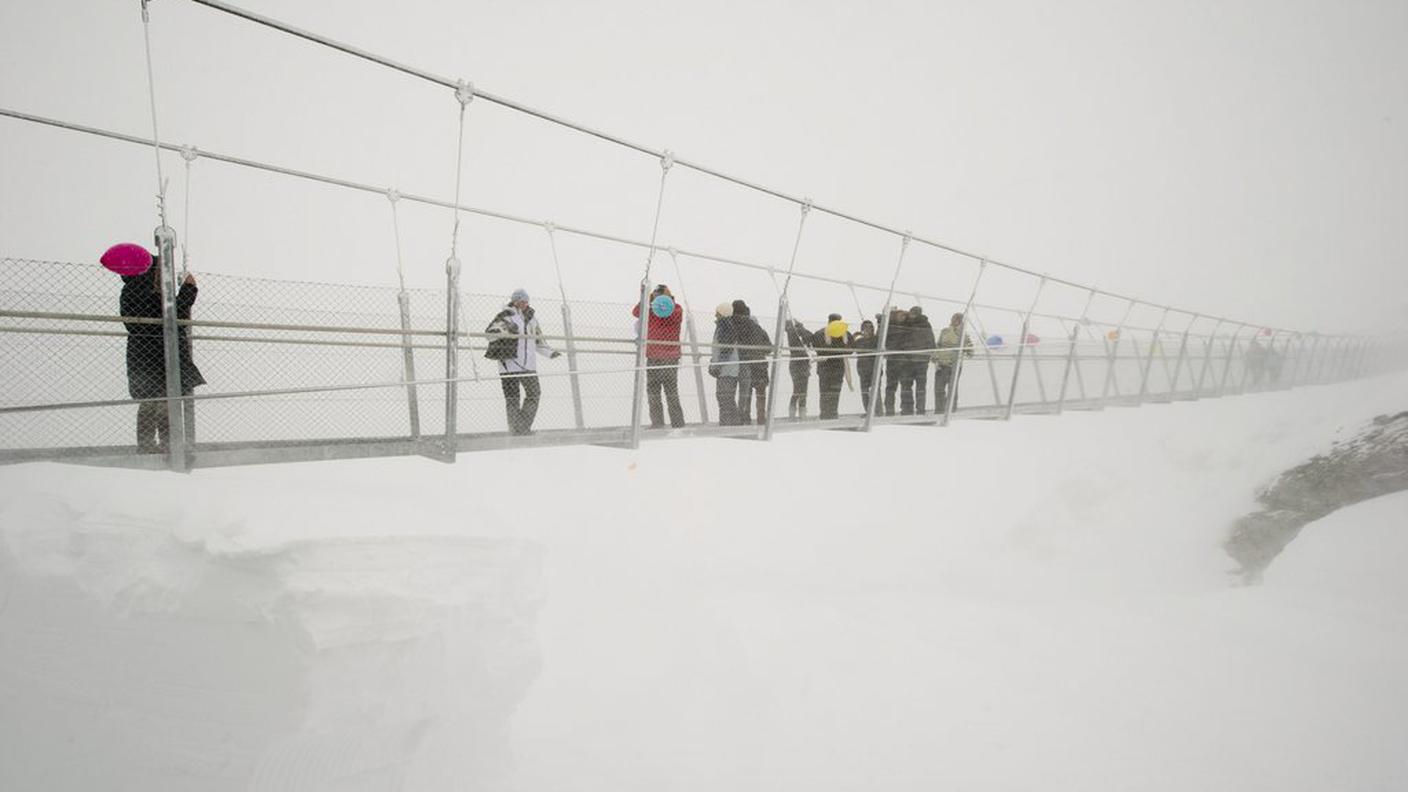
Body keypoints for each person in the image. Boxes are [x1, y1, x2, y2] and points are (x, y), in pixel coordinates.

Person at [121, 254, 205, 453]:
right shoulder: (144, 291)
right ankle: (169, 447)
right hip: (159, 356)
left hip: (145, 357)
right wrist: (189, 289)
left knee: (152, 402)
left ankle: (150, 446)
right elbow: (173, 316)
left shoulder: (133, 290)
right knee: (163, 403)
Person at [485, 288, 560, 435]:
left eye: (526, 301)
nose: (525, 304)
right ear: (515, 301)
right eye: (521, 301)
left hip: (529, 367)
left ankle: (521, 428)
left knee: (534, 394)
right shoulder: (505, 316)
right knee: (513, 398)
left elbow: (539, 341)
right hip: (509, 365)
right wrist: (505, 331)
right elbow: (489, 334)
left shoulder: (532, 319)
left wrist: (551, 353)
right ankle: (515, 430)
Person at [631, 284, 686, 428]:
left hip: (667, 356)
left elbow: (671, 314)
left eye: (660, 293)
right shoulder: (652, 310)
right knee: (655, 391)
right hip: (655, 356)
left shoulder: (675, 309)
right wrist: (646, 299)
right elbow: (636, 312)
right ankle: (659, 423)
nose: (657, 295)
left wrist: (665, 301)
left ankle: (676, 423)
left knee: (668, 391)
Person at [730, 299, 771, 425]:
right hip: (760, 365)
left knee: (746, 394)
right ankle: (761, 419)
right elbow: (769, 347)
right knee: (761, 394)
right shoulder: (759, 330)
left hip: (746, 363)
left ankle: (745, 418)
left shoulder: (735, 325)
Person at [811, 314, 853, 419]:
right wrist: (842, 344)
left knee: (825, 391)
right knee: (835, 392)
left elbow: (818, 349)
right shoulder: (845, 333)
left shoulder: (820, 333)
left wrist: (829, 346)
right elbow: (850, 350)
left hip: (825, 367)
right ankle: (832, 414)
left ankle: (825, 414)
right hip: (838, 367)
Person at [933, 312, 976, 412]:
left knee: (952, 389)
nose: (952, 320)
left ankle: (951, 411)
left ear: (960, 321)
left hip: (954, 366)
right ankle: (939, 410)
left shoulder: (963, 335)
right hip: (941, 365)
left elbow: (970, 352)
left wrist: (962, 348)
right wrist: (935, 357)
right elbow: (938, 345)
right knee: (939, 389)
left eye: (956, 319)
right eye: (952, 318)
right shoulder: (944, 331)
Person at [708, 302, 740, 425]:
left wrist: (717, 366)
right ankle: (734, 422)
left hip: (727, 369)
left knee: (724, 397)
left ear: (722, 312)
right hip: (727, 369)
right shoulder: (724, 326)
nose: (715, 314)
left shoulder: (725, 327)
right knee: (727, 397)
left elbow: (726, 349)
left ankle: (726, 423)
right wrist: (714, 362)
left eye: (717, 311)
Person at [900, 306, 934, 414]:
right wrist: (929, 356)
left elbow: (902, 340)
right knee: (920, 387)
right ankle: (920, 409)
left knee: (906, 385)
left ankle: (907, 409)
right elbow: (931, 342)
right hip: (921, 360)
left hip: (909, 360)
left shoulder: (907, 324)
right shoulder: (926, 325)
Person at [881, 307, 910, 416]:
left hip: (901, 360)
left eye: (904, 316)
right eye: (900, 315)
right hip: (894, 360)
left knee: (904, 385)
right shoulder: (891, 327)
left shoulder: (905, 327)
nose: (902, 317)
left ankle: (905, 409)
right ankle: (889, 409)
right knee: (891, 386)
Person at [784, 318, 813, 419]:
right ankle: (802, 414)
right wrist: (800, 326)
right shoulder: (799, 333)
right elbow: (810, 337)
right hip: (802, 364)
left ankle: (792, 414)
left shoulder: (791, 334)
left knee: (796, 389)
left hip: (795, 364)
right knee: (802, 390)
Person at [852, 319, 879, 414]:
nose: (869, 330)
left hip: (875, 368)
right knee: (864, 391)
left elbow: (880, 334)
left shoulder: (876, 339)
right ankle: (868, 412)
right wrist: (854, 336)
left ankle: (878, 411)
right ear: (862, 329)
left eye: (871, 327)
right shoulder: (859, 341)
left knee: (875, 391)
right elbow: (850, 350)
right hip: (862, 369)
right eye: (866, 328)